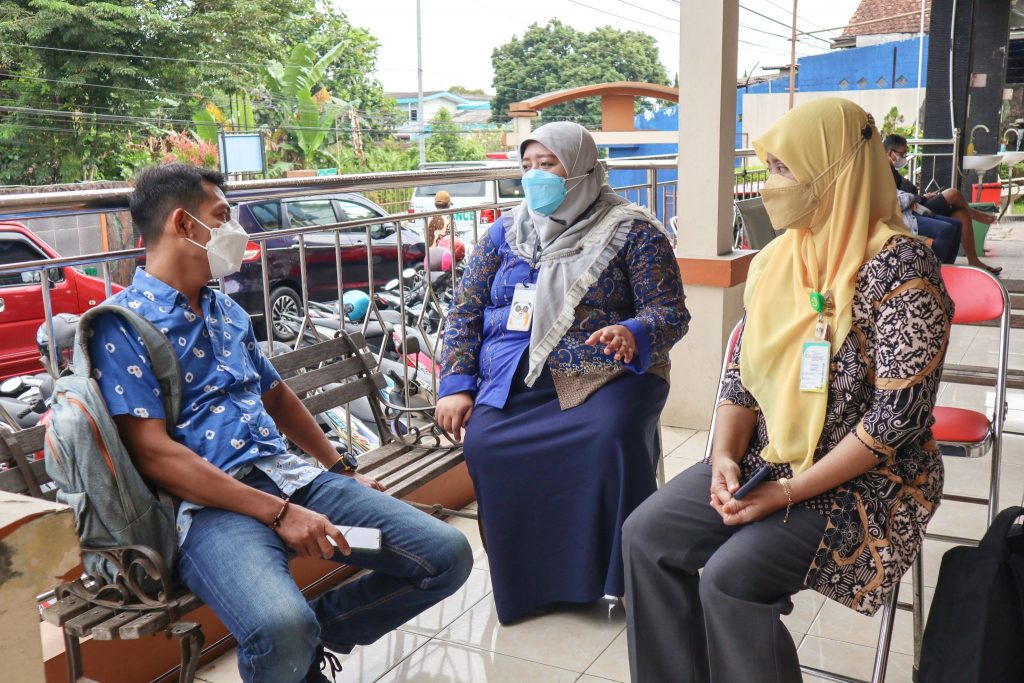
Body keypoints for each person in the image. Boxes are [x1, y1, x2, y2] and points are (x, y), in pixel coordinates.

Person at [88, 163, 472, 683]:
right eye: (222, 216)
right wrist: (278, 514)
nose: (234, 230)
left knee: (445, 555)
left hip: (293, 478)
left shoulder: (226, 311)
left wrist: (339, 468)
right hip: (207, 511)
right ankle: (292, 647)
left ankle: (313, 638)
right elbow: (154, 455)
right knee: (279, 626)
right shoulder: (121, 327)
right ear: (182, 224)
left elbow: (275, 394)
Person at [623, 99, 951, 683]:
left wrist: (788, 493)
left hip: (869, 479)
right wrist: (724, 457)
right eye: (769, 167)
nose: (770, 186)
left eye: (783, 169)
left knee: (732, 581)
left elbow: (896, 420)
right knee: (645, 537)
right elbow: (742, 375)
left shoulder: (904, 271)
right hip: (766, 456)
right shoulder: (778, 259)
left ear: (835, 172)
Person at [436, 121, 689, 624]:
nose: (534, 176)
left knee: (611, 435)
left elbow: (671, 312)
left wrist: (634, 331)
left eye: (547, 164)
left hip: (605, 375)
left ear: (581, 169)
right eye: (527, 166)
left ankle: (623, 578)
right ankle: (531, 585)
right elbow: (465, 312)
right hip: (514, 375)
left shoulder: (631, 230)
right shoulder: (504, 233)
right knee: (486, 443)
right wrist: (456, 385)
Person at [884, 133, 1000, 273]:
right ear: (889, 153)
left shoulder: (892, 170)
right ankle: (974, 214)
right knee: (953, 193)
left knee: (961, 215)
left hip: (917, 204)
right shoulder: (882, 170)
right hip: (910, 209)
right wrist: (919, 198)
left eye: (905, 154)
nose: (904, 157)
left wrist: (922, 196)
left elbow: (904, 192)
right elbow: (896, 197)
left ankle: (972, 261)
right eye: (902, 154)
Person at [896, 188, 962, 263]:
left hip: (914, 209)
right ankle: (935, 266)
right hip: (904, 217)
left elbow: (899, 195)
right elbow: (895, 203)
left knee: (957, 224)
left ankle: (948, 266)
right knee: (945, 229)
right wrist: (914, 198)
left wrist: (917, 198)